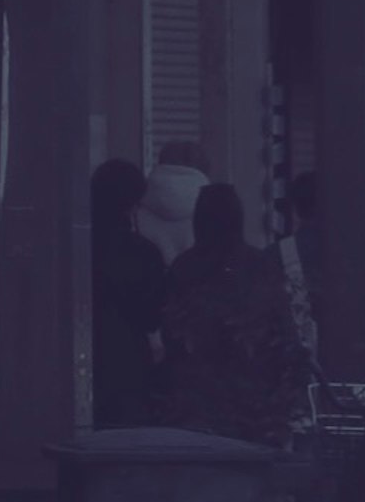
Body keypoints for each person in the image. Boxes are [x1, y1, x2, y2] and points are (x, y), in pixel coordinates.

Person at [154, 184, 314, 448]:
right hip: (253, 396)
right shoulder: (259, 265)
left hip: (195, 396)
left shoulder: (185, 267)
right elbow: (283, 330)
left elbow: (171, 331)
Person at [90, 161, 168, 428]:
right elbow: (152, 316)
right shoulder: (143, 253)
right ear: (133, 202)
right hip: (128, 365)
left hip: (77, 359)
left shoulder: (74, 245)